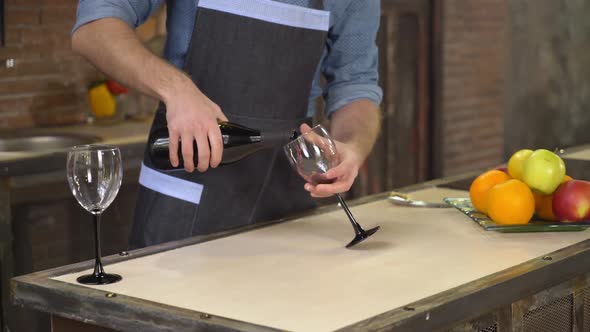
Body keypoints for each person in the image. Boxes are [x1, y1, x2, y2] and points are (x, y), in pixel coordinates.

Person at [72, 0, 383, 248]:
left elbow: (356, 84)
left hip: (287, 203)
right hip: (187, 199)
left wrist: (352, 145)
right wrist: (178, 90)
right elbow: (95, 27)